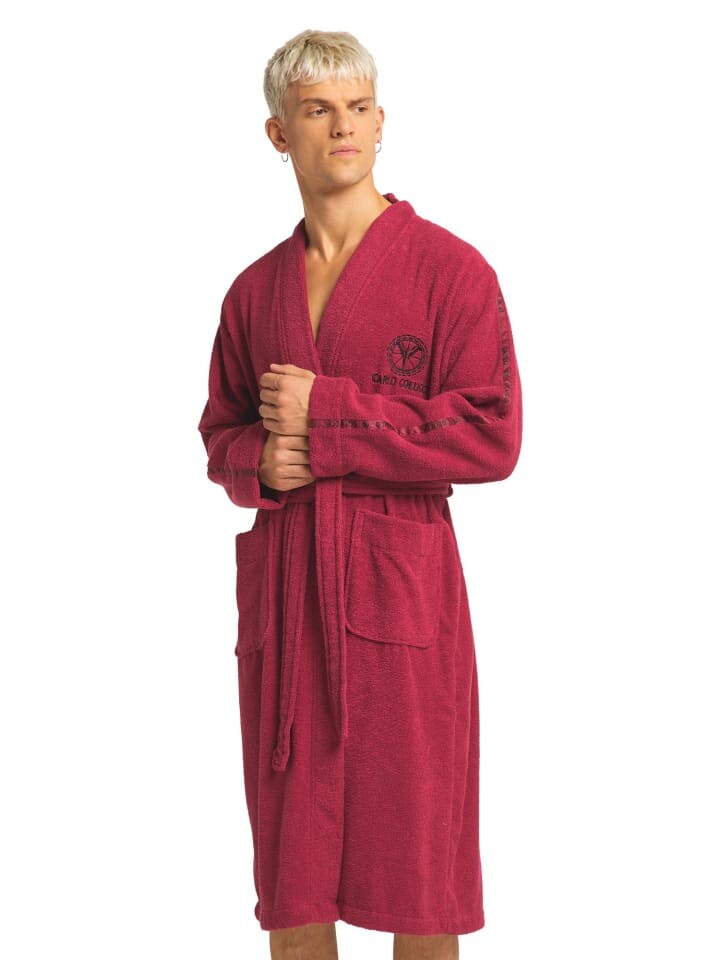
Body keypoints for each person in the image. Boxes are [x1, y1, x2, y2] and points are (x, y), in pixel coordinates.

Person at [197, 28, 522, 960]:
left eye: (357, 107)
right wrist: (262, 463)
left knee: (420, 883)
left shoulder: (451, 272)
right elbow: (219, 433)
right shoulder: (252, 293)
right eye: (317, 110)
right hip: (290, 609)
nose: (342, 126)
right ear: (279, 133)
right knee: (293, 880)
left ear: (382, 123)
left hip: (400, 608)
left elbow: (493, 433)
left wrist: (332, 416)